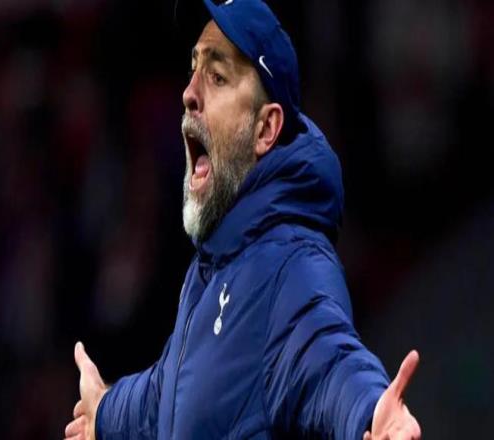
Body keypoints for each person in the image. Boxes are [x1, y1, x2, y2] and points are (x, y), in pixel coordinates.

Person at [64, 0, 421, 439]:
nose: (189, 93)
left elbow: (329, 359)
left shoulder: (290, 265)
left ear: (265, 129)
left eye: (217, 77)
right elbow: (167, 396)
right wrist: (104, 410)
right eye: (193, 69)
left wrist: (371, 412)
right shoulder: (213, 269)